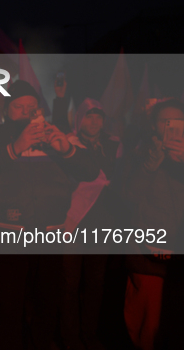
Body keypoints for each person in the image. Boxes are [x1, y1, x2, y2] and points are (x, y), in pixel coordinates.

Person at [0, 80, 99, 350]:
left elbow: (91, 170)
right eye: (19, 107)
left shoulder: (56, 136)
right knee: (10, 308)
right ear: (6, 110)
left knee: (47, 306)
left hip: (51, 234)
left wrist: (67, 149)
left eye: (31, 107)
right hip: (9, 234)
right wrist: (15, 146)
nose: (26, 112)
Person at [56, 98, 123, 350]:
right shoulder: (69, 144)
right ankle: (69, 337)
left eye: (98, 116)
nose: (94, 122)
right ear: (79, 118)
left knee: (96, 283)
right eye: (88, 116)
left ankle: (89, 333)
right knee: (69, 284)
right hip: (73, 222)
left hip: (103, 223)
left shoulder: (114, 145)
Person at [122, 98, 184, 350]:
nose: (173, 127)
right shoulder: (137, 153)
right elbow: (128, 198)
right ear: (153, 125)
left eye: (179, 121)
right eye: (165, 121)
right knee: (148, 326)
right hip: (148, 253)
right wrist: (150, 164)